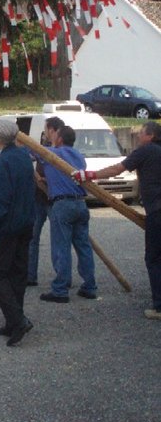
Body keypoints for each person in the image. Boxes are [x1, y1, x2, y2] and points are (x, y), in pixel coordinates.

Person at [73, 121, 161, 320]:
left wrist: (89, 174)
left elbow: (117, 170)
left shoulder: (146, 150)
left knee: (154, 258)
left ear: (150, 136)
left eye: (141, 133)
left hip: (157, 211)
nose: (138, 137)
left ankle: (159, 307)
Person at [0, 119, 35, 346]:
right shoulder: (23, 156)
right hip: (25, 223)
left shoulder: (3, 163)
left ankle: (18, 319)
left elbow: (0, 199)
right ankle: (13, 321)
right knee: (17, 273)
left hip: (7, 226)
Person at [35, 125, 97, 303]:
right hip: (80, 204)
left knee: (61, 247)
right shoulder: (78, 155)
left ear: (59, 139)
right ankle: (89, 286)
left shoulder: (51, 154)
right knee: (83, 246)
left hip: (62, 204)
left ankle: (60, 289)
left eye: (53, 134)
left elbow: (29, 150)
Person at [27, 117, 65, 286]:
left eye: (46, 129)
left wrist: (46, 180)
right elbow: (27, 152)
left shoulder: (62, 150)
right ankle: (30, 276)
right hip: (38, 198)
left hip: (54, 199)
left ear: (52, 130)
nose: (44, 133)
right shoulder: (44, 148)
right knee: (32, 237)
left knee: (58, 239)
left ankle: (62, 279)